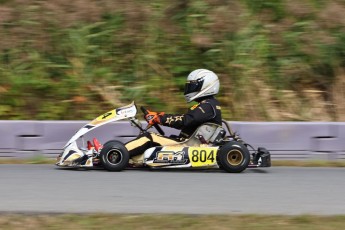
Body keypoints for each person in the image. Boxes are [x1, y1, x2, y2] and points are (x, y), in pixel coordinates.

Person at [125, 69, 222, 161]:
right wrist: (159, 116)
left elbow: (186, 120)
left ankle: (118, 153)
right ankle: (130, 158)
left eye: (193, 86)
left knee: (148, 137)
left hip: (186, 145)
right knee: (152, 138)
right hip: (187, 142)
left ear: (206, 86)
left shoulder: (208, 106)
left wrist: (160, 118)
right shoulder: (210, 105)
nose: (190, 89)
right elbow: (188, 120)